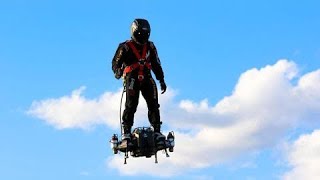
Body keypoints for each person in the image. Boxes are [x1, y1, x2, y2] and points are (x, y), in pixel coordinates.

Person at [112, 18, 167, 145]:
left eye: (145, 34)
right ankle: (126, 132)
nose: (143, 37)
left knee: (153, 104)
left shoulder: (151, 46)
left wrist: (161, 79)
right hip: (132, 78)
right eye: (140, 34)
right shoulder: (125, 47)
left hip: (147, 77)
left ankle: (157, 131)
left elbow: (156, 63)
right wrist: (118, 72)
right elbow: (115, 62)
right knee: (131, 105)